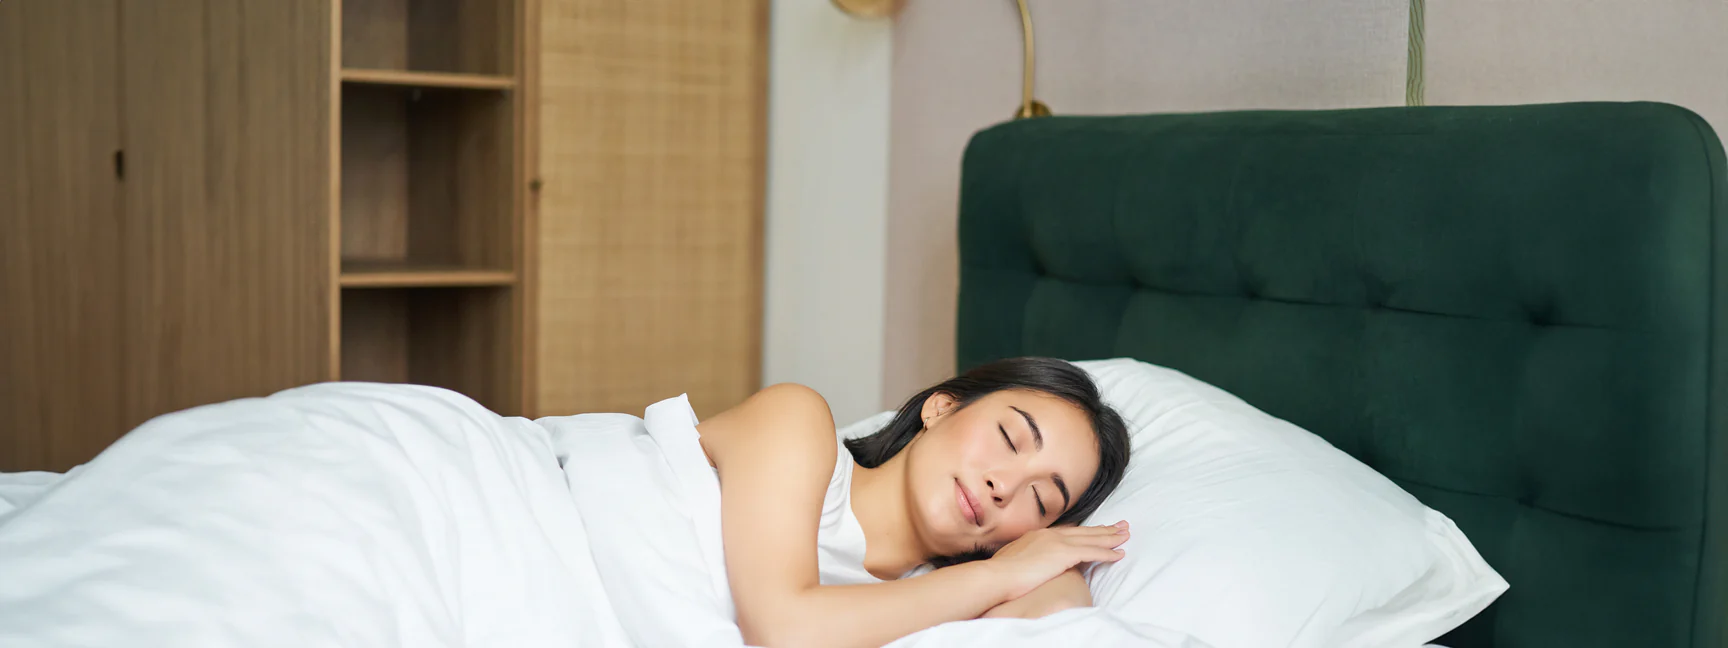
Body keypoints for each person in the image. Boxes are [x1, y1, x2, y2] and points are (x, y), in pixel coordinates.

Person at [696, 356, 1133, 648]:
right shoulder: (795, 420)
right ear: (940, 407)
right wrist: (1003, 573)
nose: (1004, 485)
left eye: (1039, 500)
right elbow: (781, 628)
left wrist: (1047, 565)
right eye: (1009, 438)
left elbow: (1057, 623)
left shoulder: (941, 605)